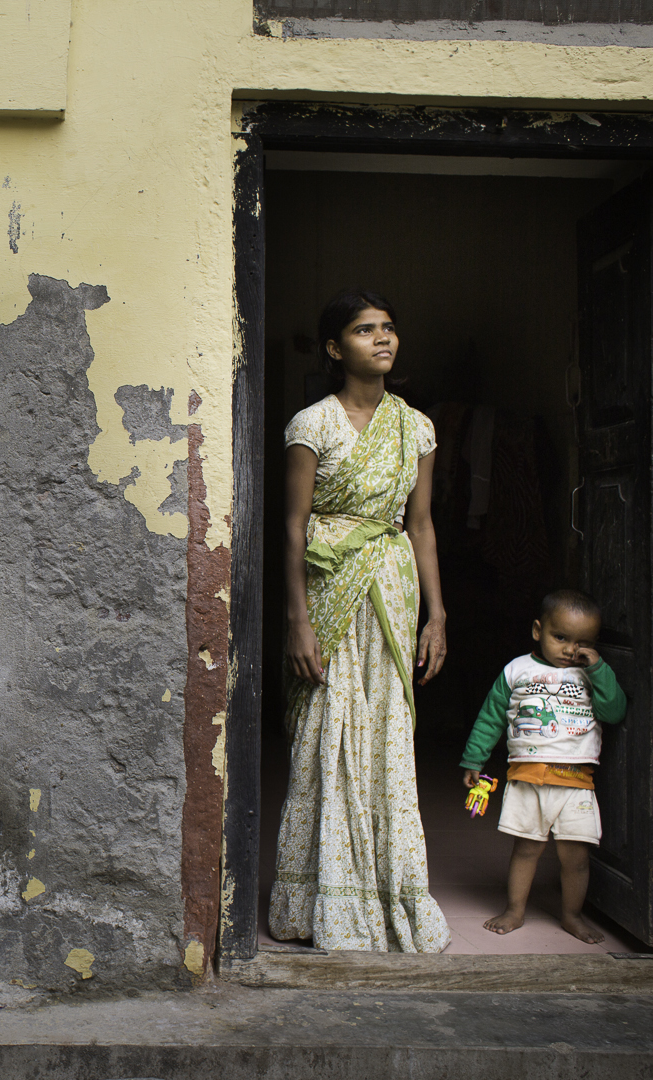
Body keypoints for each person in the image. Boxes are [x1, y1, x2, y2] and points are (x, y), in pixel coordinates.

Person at [269, 288, 451, 953]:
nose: (383, 338)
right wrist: (296, 621)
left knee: (384, 731)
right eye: (365, 329)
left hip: (394, 586)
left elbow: (423, 526)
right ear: (333, 347)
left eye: (390, 328)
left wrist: (438, 616)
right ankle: (316, 901)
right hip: (328, 590)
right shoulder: (311, 424)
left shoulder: (418, 428)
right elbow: (292, 528)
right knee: (328, 728)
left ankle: (391, 893)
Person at [460, 589, 626, 944]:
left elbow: (614, 712)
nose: (570, 649)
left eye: (582, 642)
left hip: (576, 782)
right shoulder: (517, 670)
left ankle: (571, 915)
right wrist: (475, 758)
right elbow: (490, 719)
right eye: (560, 637)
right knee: (527, 849)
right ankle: (515, 910)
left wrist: (596, 668)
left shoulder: (591, 674)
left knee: (576, 858)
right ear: (538, 630)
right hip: (527, 778)